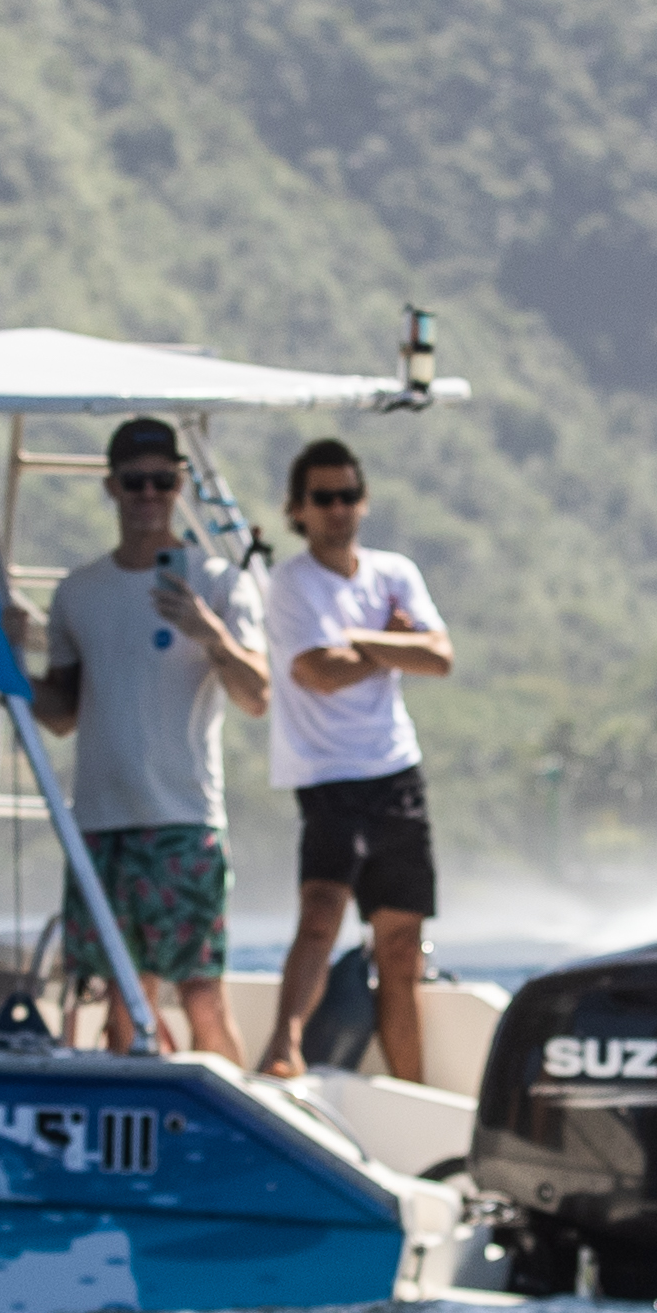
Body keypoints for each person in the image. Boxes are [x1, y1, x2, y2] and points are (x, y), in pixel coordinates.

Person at [35, 418, 266, 1059]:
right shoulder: (79, 592)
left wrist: (209, 631)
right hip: (102, 825)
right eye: (134, 482)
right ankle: (134, 1145)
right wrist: (1, 663)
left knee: (201, 999)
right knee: (122, 1006)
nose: (148, 494)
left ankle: (228, 1130)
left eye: (162, 481)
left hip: (184, 819)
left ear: (179, 484)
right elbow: (61, 713)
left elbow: (257, 696)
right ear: (111, 486)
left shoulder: (218, 581)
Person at [260, 438, 449, 1083]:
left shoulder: (395, 572)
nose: (337, 509)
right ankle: (282, 1050)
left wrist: (362, 643)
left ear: (362, 502)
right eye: (322, 498)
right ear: (298, 510)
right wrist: (395, 643)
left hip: (395, 771)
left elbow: (441, 657)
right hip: (327, 776)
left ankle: (412, 1089)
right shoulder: (289, 584)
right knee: (320, 915)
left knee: (400, 946)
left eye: (346, 496)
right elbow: (317, 672)